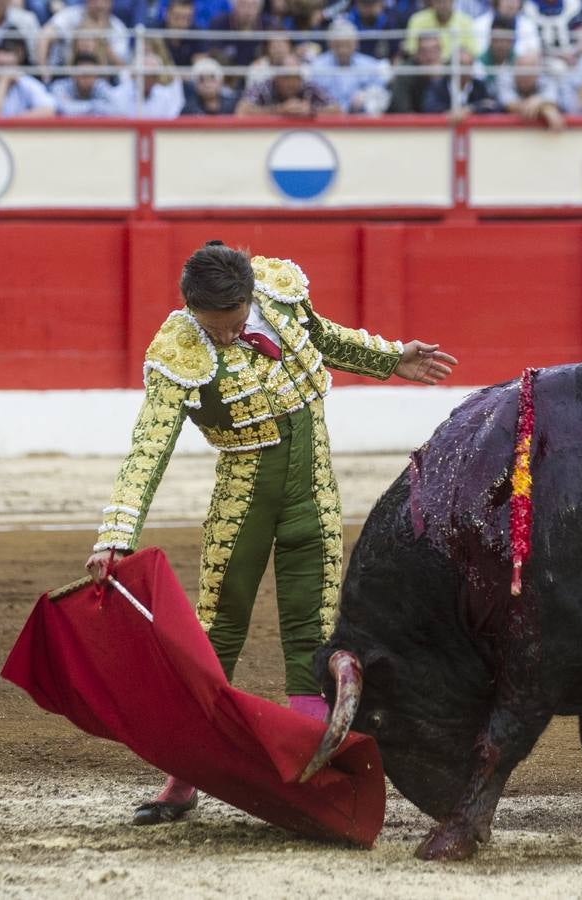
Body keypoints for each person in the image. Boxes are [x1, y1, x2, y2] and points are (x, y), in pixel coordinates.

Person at [84, 242, 458, 825]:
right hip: (242, 498)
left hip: (314, 489)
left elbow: (324, 338)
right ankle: (183, 780)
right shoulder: (179, 349)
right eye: (212, 330)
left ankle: (307, 774)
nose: (225, 338)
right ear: (190, 311)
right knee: (218, 629)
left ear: (249, 297)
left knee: (311, 629)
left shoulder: (280, 292)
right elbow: (149, 445)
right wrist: (117, 530)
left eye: (231, 325)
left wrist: (390, 359)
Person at [309, 19, 389, 114]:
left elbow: (380, 93)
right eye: (338, 45)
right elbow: (312, 94)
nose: (343, 50)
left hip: (361, 120)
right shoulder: (317, 65)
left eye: (347, 44)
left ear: (356, 44)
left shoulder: (370, 65)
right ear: (330, 44)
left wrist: (366, 98)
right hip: (327, 119)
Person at [235, 51, 336, 116]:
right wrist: (278, 110)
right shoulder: (263, 87)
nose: (292, 83)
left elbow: (338, 111)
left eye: (296, 78)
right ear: (276, 76)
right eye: (287, 77)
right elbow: (241, 111)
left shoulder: (309, 87)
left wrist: (312, 111)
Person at [38, 0, 131, 68]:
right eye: (95, 1)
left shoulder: (118, 28)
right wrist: (44, 72)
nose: (99, 5)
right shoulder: (70, 15)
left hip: (102, 80)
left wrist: (101, 40)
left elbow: (122, 66)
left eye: (104, 1)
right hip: (65, 74)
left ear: (111, 3)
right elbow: (45, 36)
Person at [497, 48, 565, 128]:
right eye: (521, 71)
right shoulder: (505, 78)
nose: (525, 76)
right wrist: (544, 109)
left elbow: (553, 100)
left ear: (538, 73)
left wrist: (539, 101)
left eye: (529, 72)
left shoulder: (546, 78)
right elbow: (510, 105)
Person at [403, 0, 480, 61]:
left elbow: (472, 52)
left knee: (464, 59)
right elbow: (411, 50)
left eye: (446, 0)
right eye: (439, 1)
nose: (443, 4)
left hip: (455, 66)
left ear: (453, 1)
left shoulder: (466, 21)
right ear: (432, 1)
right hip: (425, 65)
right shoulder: (417, 19)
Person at [50, 52, 122, 115]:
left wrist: (82, 108)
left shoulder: (101, 86)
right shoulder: (60, 86)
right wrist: (95, 106)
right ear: (73, 74)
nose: (87, 79)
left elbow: (117, 109)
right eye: (83, 74)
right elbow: (64, 109)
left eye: (90, 74)